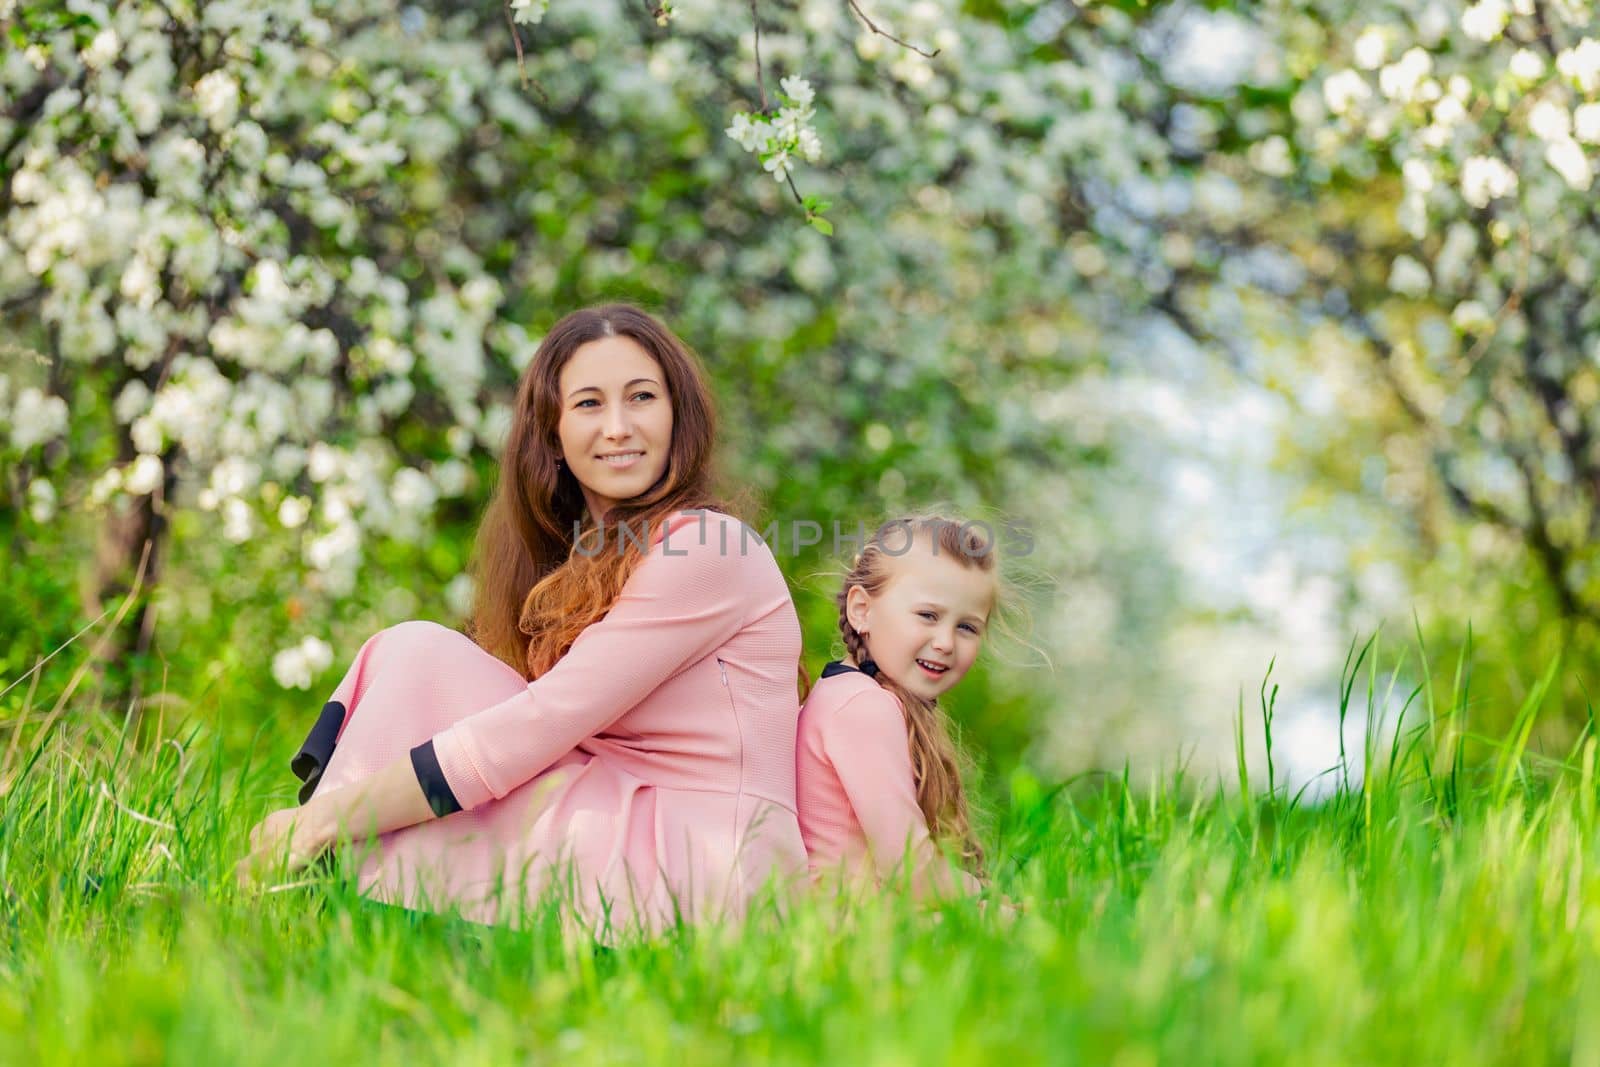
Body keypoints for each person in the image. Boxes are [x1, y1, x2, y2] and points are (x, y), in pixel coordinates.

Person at [237, 304, 808, 939]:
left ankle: (311, 881)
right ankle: (324, 898)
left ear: (678, 416)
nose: (618, 427)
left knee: (422, 656)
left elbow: (536, 726)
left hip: (708, 871)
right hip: (635, 830)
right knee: (417, 659)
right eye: (589, 404)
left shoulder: (707, 546)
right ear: (553, 434)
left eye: (642, 397)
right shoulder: (587, 558)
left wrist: (332, 816)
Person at [795, 514, 1000, 902]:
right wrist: (991, 899)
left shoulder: (846, 693)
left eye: (967, 627)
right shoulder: (863, 707)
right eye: (928, 615)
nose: (945, 642)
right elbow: (912, 868)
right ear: (862, 610)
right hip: (853, 926)